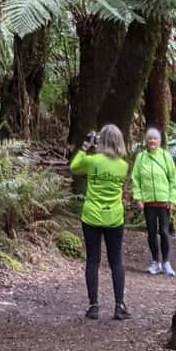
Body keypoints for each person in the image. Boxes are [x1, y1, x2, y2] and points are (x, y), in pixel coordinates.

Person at [70, 123, 130, 321]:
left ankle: (93, 305)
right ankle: (119, 305)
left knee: (93, 260)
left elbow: (74, 167)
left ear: (100, 141)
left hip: (92, 216)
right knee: (116, 261)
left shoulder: (93, 161)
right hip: (114, 217)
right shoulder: (123, 166)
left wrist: (86, 146)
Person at [129, 125, 176, 277]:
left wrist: (172, 199)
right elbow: (135, 179)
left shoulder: (165, 156)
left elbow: (173, 179)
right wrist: (138, 197)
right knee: (151, 232)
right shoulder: (141, 157)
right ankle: (154, 262)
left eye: (155, 139)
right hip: (148, 202)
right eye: (150, 138)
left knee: (164, 231)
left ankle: (166, 262)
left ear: (160, 141)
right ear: (146, 140)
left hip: (164, 201)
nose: (152, 141)